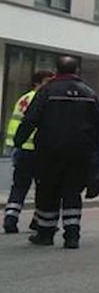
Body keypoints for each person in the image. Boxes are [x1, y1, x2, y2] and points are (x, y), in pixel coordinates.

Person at [13, 56, 99, 249]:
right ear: (77, 71)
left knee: (48, 191)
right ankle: (72, 236)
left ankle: (45, 234)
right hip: (80, 152)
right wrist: (93, 144)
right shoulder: (89, 93)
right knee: (73, 192)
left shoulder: (47, 91)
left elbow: (30, 119)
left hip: (49, 151)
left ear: (57, 70)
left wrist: (19, 141)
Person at [4, 69, 54, 233]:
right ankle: (37, 220)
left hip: (21, 149)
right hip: (37, 149)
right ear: (37, 83)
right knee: (43, 187)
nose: (50, 85)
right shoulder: (41, 98)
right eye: (47, 82)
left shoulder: (23, 98)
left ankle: (10, 218)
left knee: (19, 186)